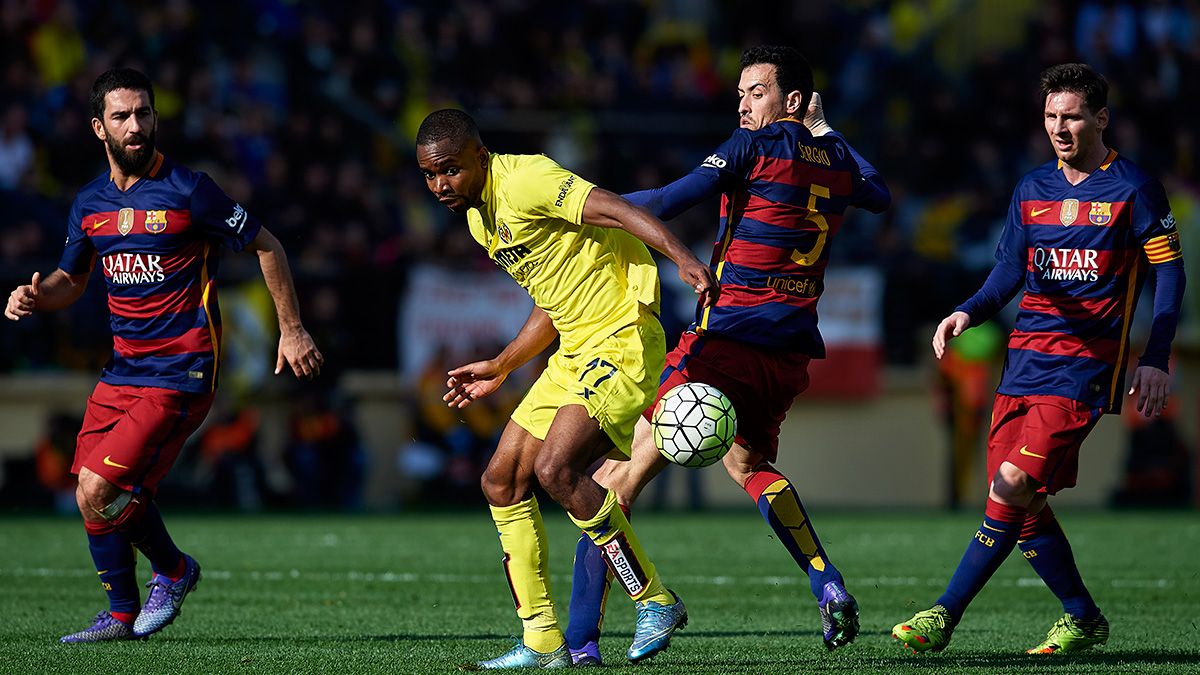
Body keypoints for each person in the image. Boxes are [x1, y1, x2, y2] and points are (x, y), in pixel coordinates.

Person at [564, 45, 891, 665]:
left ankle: (587, 642)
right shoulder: (839, 160)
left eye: (757, 93)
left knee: (607, 480)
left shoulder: (754, 148)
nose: (743, 105)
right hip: (789, 352)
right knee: (750, 467)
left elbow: (663, 200)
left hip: (724, 341)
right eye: (740, 94)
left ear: (790, 100)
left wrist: (580, 208)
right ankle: (826, 580)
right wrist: (825, 129)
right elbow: (879, 193)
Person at [5, 68, 323, 643]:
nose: (136, 126)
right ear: (98, 127)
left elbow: (266, 244)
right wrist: (34, 296)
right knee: (85, 492)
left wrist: (292, 328)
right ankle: (122, 615)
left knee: (102, 489)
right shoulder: (89, 202)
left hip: (182, 370)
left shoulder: (189, 189)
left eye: (144, 113)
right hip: (122, 371)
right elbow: (69, 281)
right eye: (122, 116)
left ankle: (174, 571)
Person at [892, 63, 1185, 655]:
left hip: (1084, 367)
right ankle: (1081, 616)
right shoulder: (1031, 189)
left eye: (1072, 115)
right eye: (1051, 116)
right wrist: (968, 311)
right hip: (1023, 362)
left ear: (1101, 118)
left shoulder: (1134, 188)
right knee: (1021, 503)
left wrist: (1155, 356)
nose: (1060, 127)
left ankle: (943, 614)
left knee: (1012, 482)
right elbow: (1009, 270)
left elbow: (1170, 275)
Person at [415, 109, 717, 669]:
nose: (440, 186)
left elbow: (617, 208)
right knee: (501, 480)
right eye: (430, 176)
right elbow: (553, 300)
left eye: (450, 171)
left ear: (479, 156)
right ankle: (543, 641)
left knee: (557, 470)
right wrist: (503, 364)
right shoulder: (481, 222)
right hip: (573, 351)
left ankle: (655, 601)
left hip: (621, 339)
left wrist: (681, 257)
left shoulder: (526, 179)